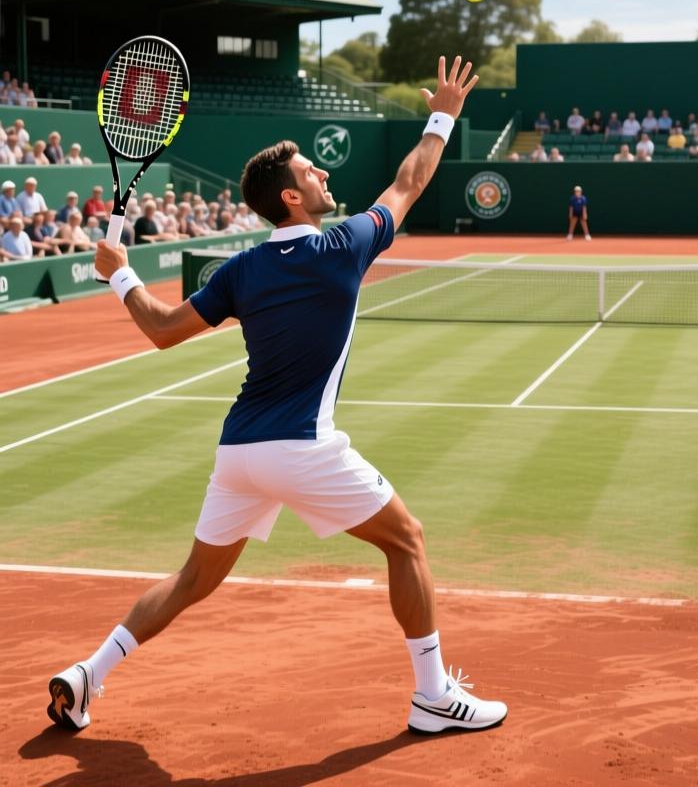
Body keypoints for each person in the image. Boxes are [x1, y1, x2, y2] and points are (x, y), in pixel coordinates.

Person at [45, 54, 507, 738]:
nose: (321, 173)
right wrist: (443, 114)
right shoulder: (344, 245)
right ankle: (433, 696)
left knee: (193, 580)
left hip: (240, 451)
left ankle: (88, 674)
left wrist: (119, 276)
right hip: (301, 446)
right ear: (290, 197)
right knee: (407, 541)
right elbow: (410, 180)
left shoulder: (242, 268)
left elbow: (164, 330)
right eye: (309, 172)